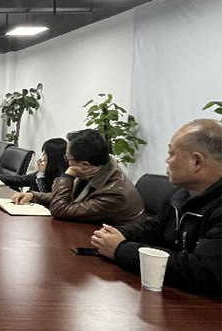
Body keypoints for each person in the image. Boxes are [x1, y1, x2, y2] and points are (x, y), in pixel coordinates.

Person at [91, 119, 222, 295]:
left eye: (171, 153)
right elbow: (154, 229)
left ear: (196, 162)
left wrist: (121, 249)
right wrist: (119, 234)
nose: (167, 160)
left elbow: (202, 271)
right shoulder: (180, 194)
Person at [11, 129, 144, 224]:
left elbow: (60, 209)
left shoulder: (114, 193)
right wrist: (34, 196)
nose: (67, 162)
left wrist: (67, 176)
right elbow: (69, 199)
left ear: (84, 164)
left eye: (67, 158)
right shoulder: (95, 170)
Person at [0, 137, 68, 192]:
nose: (42, 158)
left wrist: (41, 176)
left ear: (53, 157)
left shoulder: (62, 178)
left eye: (45, 154)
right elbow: (21, 179)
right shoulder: (46, 170)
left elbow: (46, 197)